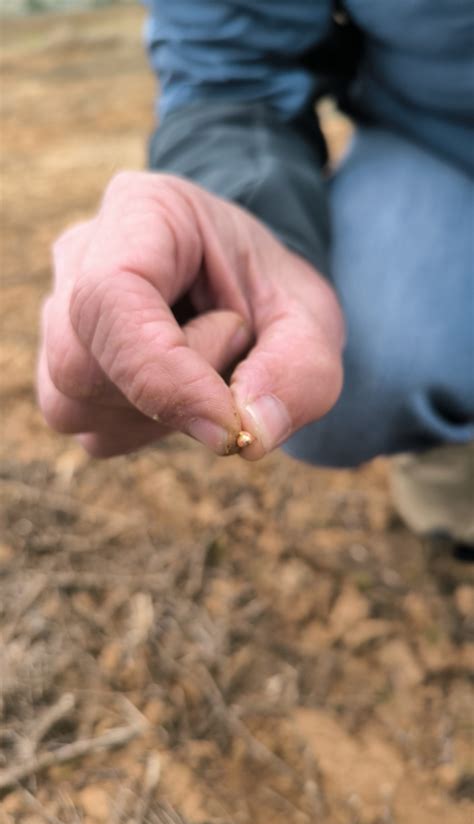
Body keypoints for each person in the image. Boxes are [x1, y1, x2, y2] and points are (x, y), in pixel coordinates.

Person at [37, 2, 474, 551]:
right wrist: (243, 210)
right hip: (437, 144)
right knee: (351, 367)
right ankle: (447, 466)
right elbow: (228, 70)